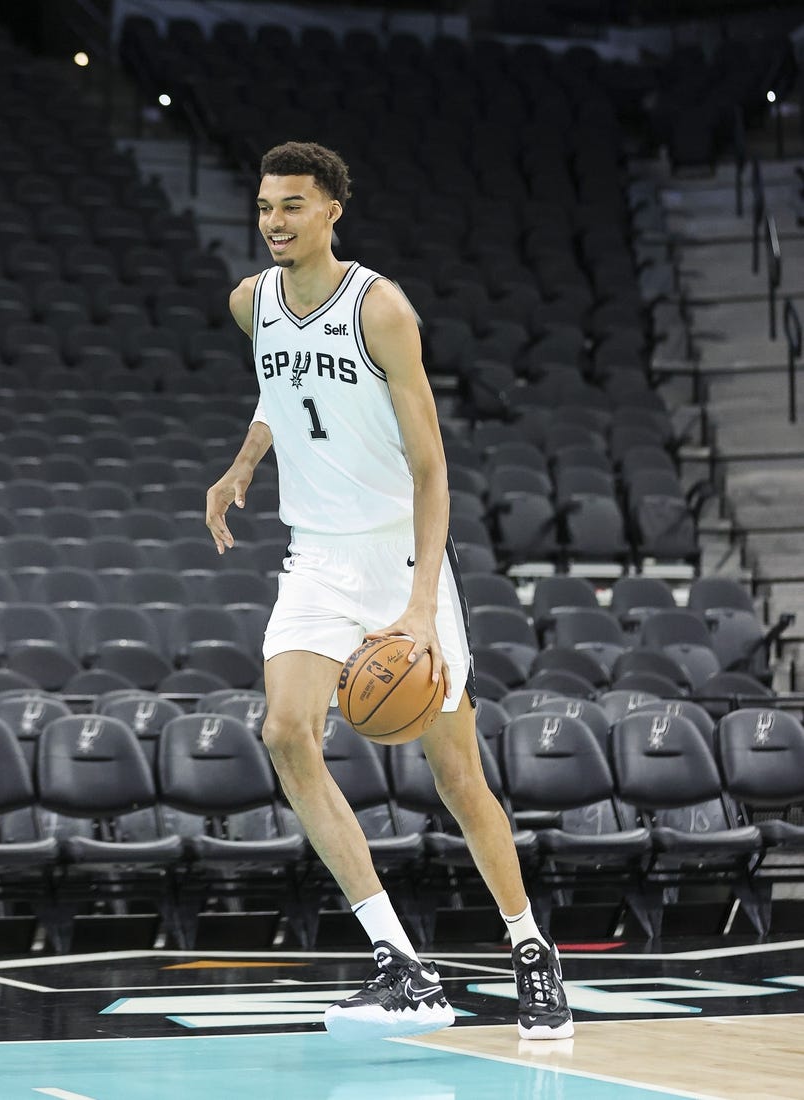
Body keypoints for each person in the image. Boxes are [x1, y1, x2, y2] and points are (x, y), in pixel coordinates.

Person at [206, 140, 572, 1043]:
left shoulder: (381, 308)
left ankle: (530, 947)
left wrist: (419, 608)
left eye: (292, 205)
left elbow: (431, 465)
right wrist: (244, 462)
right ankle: (401, 964)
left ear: (332, 211)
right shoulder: (251, 302)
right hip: (317, 557)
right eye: (265, 206)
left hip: (402, 559)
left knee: (457, 776)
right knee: (286, 733)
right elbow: (282, 391)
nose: (274, 222)